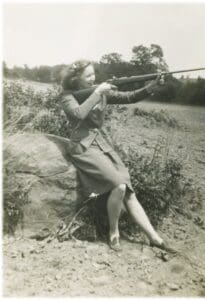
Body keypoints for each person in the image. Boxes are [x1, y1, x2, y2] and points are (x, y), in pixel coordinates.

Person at [60, 59, 176, 253]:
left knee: (128, 191)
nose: (93, 78)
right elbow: (78, 114)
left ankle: (154, 238)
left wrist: (152, 86)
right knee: (119, 185)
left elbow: (130, 96)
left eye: (93, 74)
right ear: (76, 79)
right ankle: (114, 232)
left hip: (102, 145)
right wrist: (98, 93)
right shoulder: (68, 96)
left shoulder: (100, 91)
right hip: (82, 147)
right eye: (87, 75)